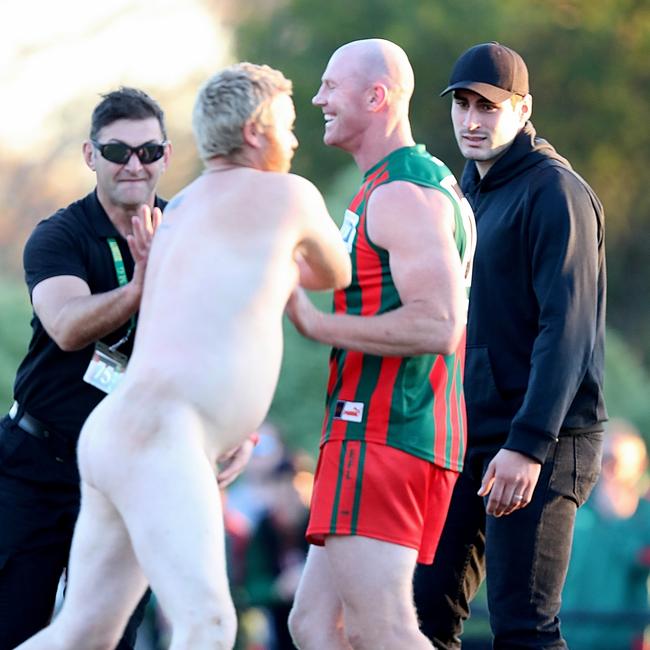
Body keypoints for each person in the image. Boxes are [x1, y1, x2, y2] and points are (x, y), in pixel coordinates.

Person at [15, 61, 351, 650]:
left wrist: (234, 425)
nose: (296, 141)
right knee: (209, 625)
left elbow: (211, 332)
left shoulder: (183, 211)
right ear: (255, 131)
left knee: (86, 631)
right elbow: (336, 271)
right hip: (91, 453)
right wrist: (282, 265)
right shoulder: (286, 194)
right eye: (289, 126)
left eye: (148, 151)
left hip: (115, 437)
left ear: (171, 154)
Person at [413, 41, 607, 649]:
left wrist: (527, 447)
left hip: (544, 442)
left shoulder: (555, 191)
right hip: (470, 438)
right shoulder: (468, 193)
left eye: (489, 107)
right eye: (463, 104)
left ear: (523, 110)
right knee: (423, 617)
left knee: (524, 630)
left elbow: (567, 329)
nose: (472, 120)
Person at [286, 39, 476, 650]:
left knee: (382, 627)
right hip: (379, 432)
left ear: (377, 96)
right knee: (315, 627)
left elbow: (438, 323)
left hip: (386, 429)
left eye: (330, 87)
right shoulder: (401, 185)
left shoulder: (400, 192)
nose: (318, 99)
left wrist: (320, 325)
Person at [0, 87, 172, 650]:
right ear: (89, 155)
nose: (133, 165)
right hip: (38, 464)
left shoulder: (186, 231)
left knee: (110, 637)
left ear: (166, 157)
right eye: (117, 150)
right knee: (14, 627)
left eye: (148, 151)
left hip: (129, 474)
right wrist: (139, 287)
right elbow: (68, 326)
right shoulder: (60, 234)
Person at [561, 419, 650, 650]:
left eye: (618, 461)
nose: (610, 468)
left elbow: (640, 562)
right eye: (605, 458)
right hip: (569, 637)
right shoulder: (570, 509)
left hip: (623, 640)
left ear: (639, 466)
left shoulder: (645, 516)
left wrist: (615, 520)